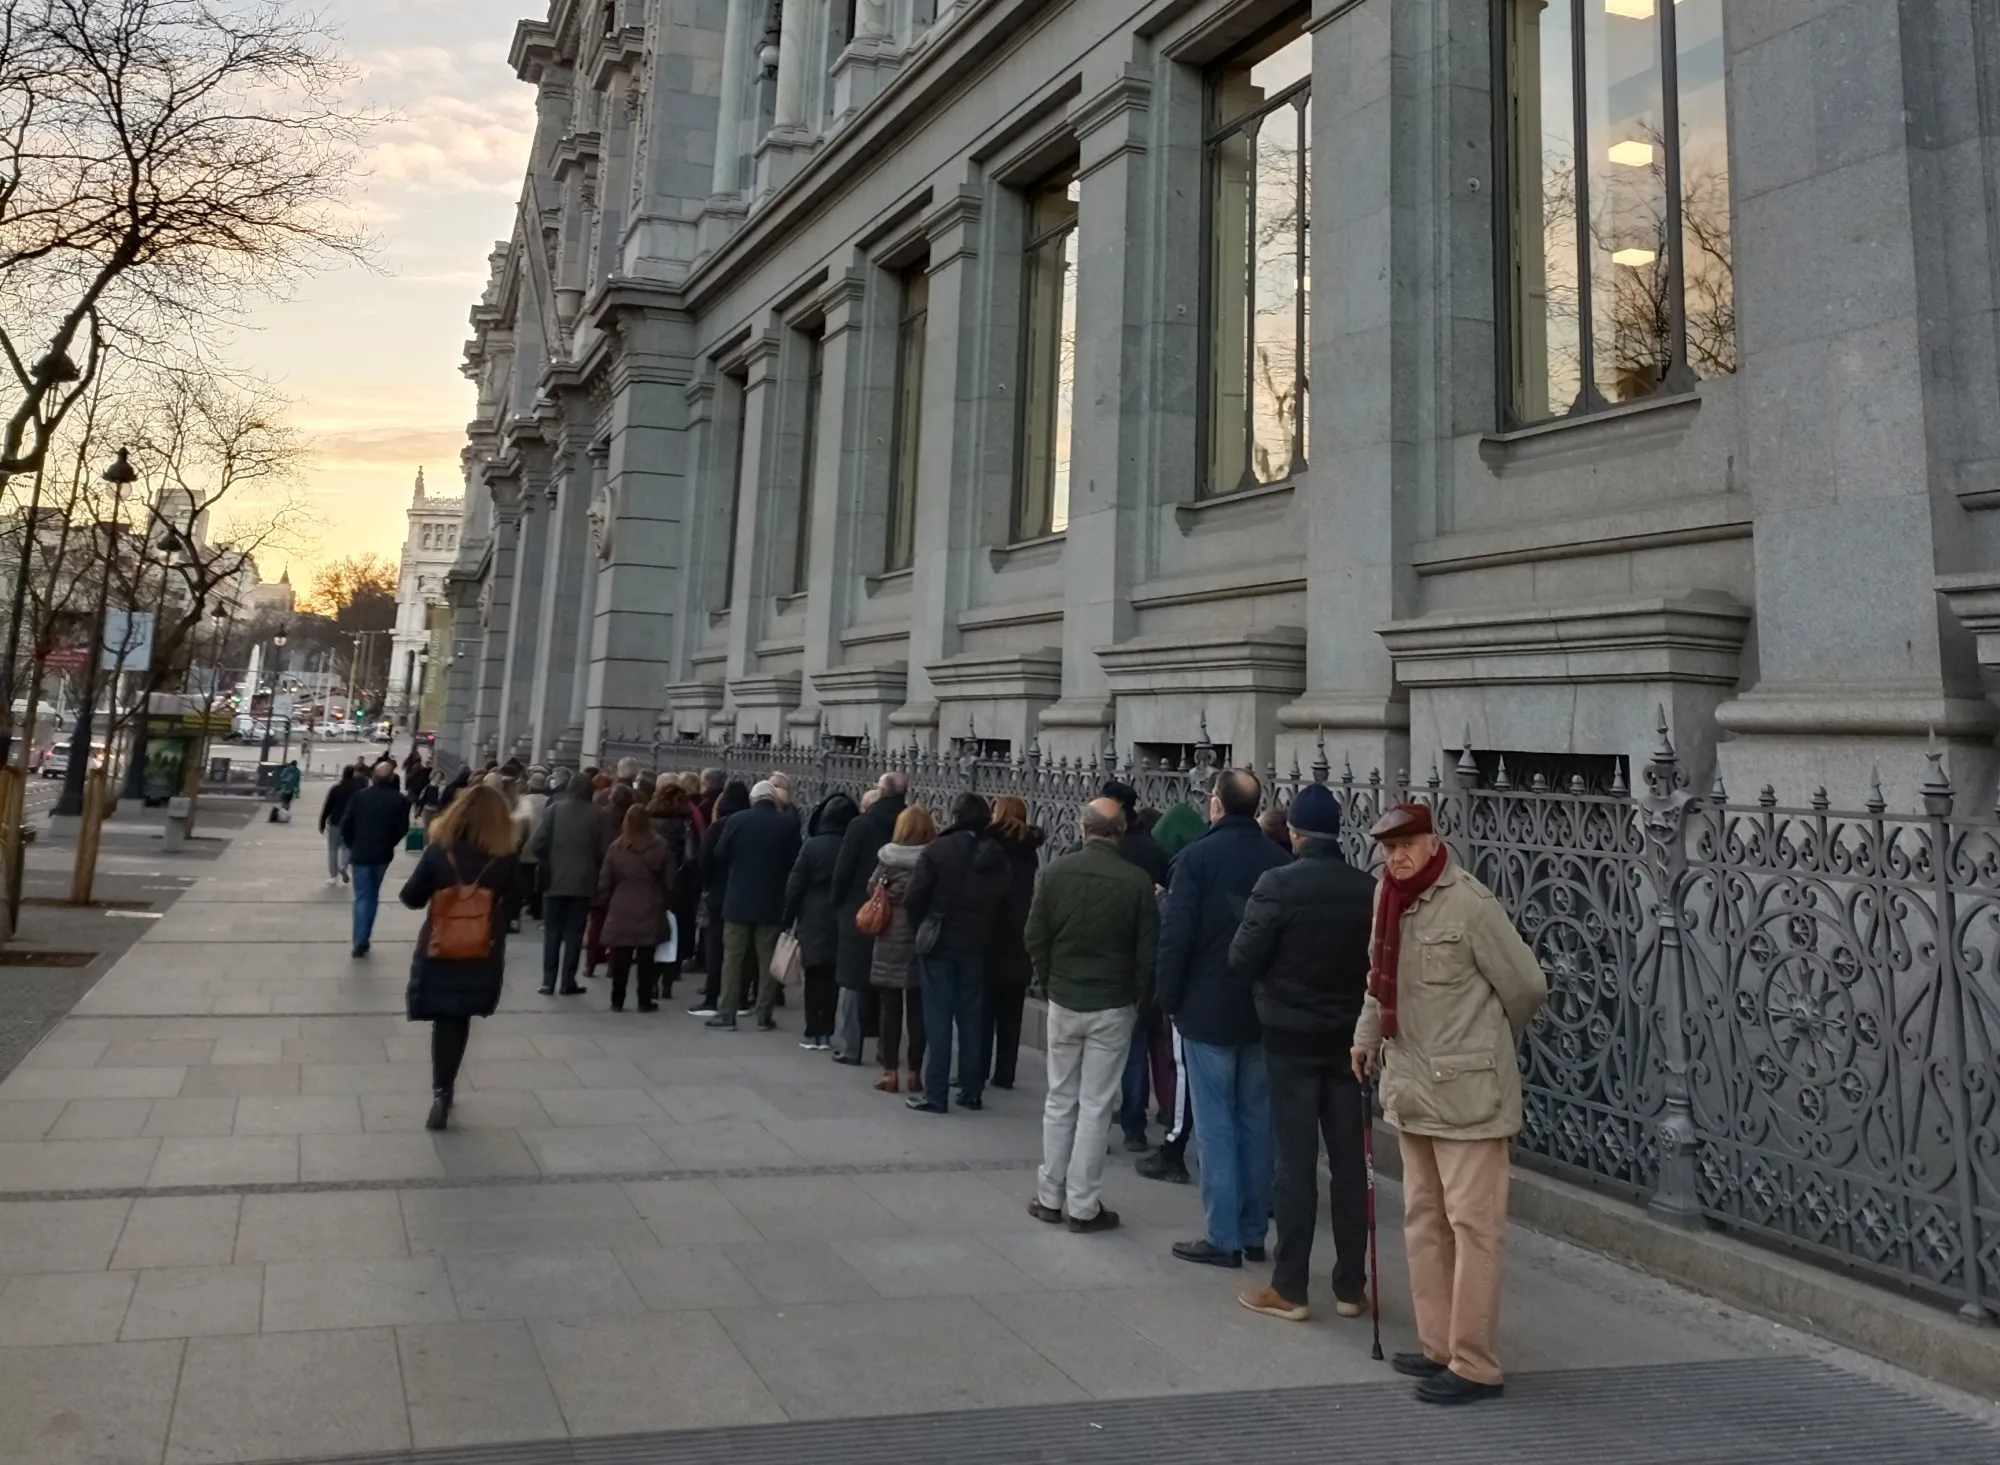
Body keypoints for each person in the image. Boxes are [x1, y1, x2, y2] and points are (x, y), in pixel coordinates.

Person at [1351, 802, 1549, 1405]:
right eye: (1388, 848)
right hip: (1411, 1090)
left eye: (1407, 844)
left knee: (1474, 1229)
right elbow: (1376, 982)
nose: (1397, 856)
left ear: (1433, 840)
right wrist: (1364, 1039)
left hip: (1468, 1097)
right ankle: (1439, 1345)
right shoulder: (1390, 898)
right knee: (1424, 1222)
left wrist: (1479, 1045)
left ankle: (1475, 1362)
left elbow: (1527, 987)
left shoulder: (1469, 902)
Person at [1229, 783, 1376, 1324]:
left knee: (1293, 1164)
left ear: (1293, 832)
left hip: (1289, 1040)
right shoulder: (1367, 889)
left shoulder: (1277, 885)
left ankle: (1290, 1285)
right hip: (1348, 1044)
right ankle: (1350, 1286)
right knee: (1348, 1166)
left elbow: (1243, 958)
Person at [1154, 768, 1291, 1269]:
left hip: (1207, 1008)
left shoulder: (1195, 860)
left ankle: (1224, 1234)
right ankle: (1254, 1232)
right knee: (1256, 1121)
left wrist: (1168, 998)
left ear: (1215, 805)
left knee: (1215, 1124)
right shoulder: (1278, 859)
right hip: (1260, 1009)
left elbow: (1177, 936)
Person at [1024, 798, 1158, 1232]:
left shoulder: (1054, 873)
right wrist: (1136, 994)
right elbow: (1147, 953)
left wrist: (1049, 980)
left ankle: (1050, 1194)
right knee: (1096, 1105)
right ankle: (1083, 1204)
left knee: (1060, 1098)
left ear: (1083, 830)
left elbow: (1034, 936)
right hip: (1113, 1002)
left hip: (1065, 997)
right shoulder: (1137, 882)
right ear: (1119, 832)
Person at [398, 782, 518, 1131]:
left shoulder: (440, 851)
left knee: (444, 1018)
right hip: (482, 950)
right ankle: (445, 1087)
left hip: (440, 946)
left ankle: (441, 1090)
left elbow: (411, 897)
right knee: (460, 1016)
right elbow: (514, 903)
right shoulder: (504, 859)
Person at [903, 792, 1012, 1114]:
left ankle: (936, 1093)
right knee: (971, 1019)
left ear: (955, 816)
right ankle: (971, 1089)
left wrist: (922, 926)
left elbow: (913, 897)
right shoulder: (997, 855)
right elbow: (1004, 902)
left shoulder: (938, 850)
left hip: (940, 942)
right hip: (977, 944)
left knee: (938, 1018)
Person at [1135, 801, 1208, 1183]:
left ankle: (1174, 1149)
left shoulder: (1187, 869)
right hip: (1234, 994)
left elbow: (1175, 938)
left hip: (1194, 994)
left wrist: (1167, 994)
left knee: (1183, 1071)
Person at [707, 779, 801, 1030]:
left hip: (738, 899)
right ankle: (764, 1013)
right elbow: (794, 861)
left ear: (753, 799)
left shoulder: (737, 821)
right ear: (774, 799)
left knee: (733, 958)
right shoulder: (786, 825)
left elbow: (720, 854)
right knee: (767, 960)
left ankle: (727, 1012)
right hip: (771, 902)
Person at [831, 771, 906, 1061]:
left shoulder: (861, 825)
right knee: (888, 985)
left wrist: (838, 903)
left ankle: (851, 1047)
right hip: (899, 912)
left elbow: (844, 867)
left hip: (860, 908)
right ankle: (886, 1052)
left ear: (882, 791)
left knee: (853, 981)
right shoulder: (911, 824)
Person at [783, 791, 860, 1051]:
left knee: (814, 974)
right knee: (832, 977)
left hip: (813, 916)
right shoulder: (850, 845)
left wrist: (787, 916)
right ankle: (826, 1029)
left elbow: (796, 884)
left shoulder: (812, 846)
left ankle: (813, 1029)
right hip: (840, 916)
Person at [867, 805, 933, 1091]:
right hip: (921, 937)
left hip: (890, 936)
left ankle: (890, 1072)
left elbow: (872, 888)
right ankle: (915, 1072)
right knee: (918, 1010)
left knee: (890, 1008)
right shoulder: (932, 858)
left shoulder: (888, 858)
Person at [981, 795, 1043, 1090]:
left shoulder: (991, 845)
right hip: (1019, 936)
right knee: (1011, 1013)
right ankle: (1005, 1073)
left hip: (991, 934)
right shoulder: (1029, 849)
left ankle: (978, 1068)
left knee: (983, 1011)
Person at [530, 772, 608, 996]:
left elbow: (538, 844)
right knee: (575, 933)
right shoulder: (598, 814)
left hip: (553, 880)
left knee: (552, 932)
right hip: (584, 881)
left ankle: (547, 980)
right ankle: (567, 981)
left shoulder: (553, 810)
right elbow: (604, 850)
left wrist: (548, 859)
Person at [597, 802, 676, 1012]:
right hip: (650, 901)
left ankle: (617, 1000)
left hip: (621, 904)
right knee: (646, 957)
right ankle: (644, 1000)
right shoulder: (661, 846)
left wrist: (604, 901)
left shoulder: (617, 847)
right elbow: (670, 881)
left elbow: (605, 880)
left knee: (620, 956)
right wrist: (666, 900)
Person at [689, 780, 750, 1016]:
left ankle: (713, 995)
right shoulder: (748, 823)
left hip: (718, 892)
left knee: (717, 945)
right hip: (743, 892)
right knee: (741, 949)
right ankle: (741, 997)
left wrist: (706, 885)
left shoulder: (719, 827)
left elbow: (705, 860)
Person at [340, 760, 410, 957]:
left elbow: (347, 824)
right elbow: (402, 829)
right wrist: (390, 843)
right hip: (382, 855)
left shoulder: (359, 797)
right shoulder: (399, 800)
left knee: (362, 896)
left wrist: (353, 843)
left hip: (361, 853)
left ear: (374, 777)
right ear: (391, 778)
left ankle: (360, 940)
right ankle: (365, 937)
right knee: (373, 895)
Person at [648, 780, 700, 999]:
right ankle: (670, 978)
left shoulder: (650, 823)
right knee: (676, 931)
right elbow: (693, 855)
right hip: (681, 884)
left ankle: (651, 980)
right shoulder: (685, 824)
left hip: (653, 884)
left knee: (653, 932)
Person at [318, 765, 361, 886]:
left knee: (333, 849)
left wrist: (322, 821)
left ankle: (332, 875)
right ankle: (344, 866)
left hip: (335, 821)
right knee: (347, 847)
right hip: (351, 823)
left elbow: (327, 806)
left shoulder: (336, 789)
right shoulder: (358, 790)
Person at [518, 771, 550, 921]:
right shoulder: (549, 801)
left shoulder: (523, 801)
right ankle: (535, 905)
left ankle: (526, 900)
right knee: (538, 877)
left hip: (525, 843)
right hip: (541, 844)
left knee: (525, 875)